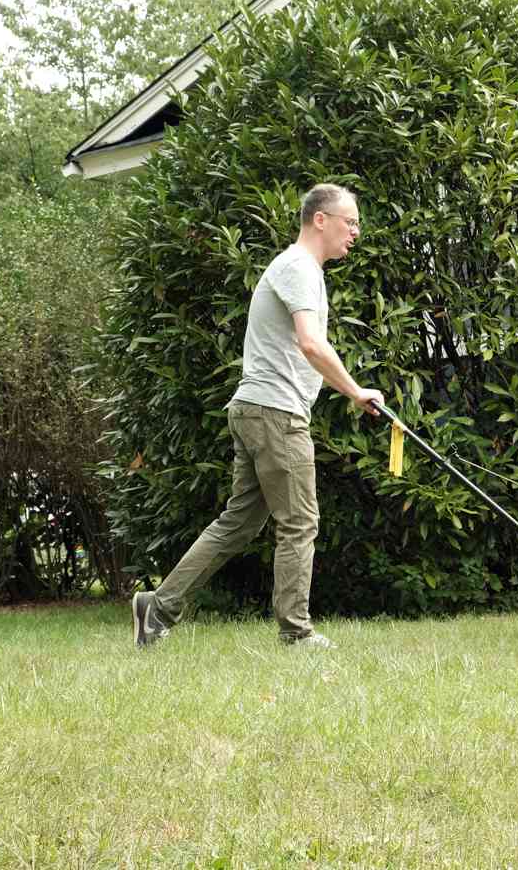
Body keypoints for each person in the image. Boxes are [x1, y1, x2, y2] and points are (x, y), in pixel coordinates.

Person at [133, 183, 383, 649]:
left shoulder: (299, 270)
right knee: (300, 522)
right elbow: (311, 343)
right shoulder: (299, 268)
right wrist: (353, 390)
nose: (355, 232)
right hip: (276, 414)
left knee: (238, 523)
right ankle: (296, 632)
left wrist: (353, 392)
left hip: (256, 408)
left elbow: (303, 350)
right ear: (320, 219)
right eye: (350, 222)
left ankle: (159, 605)